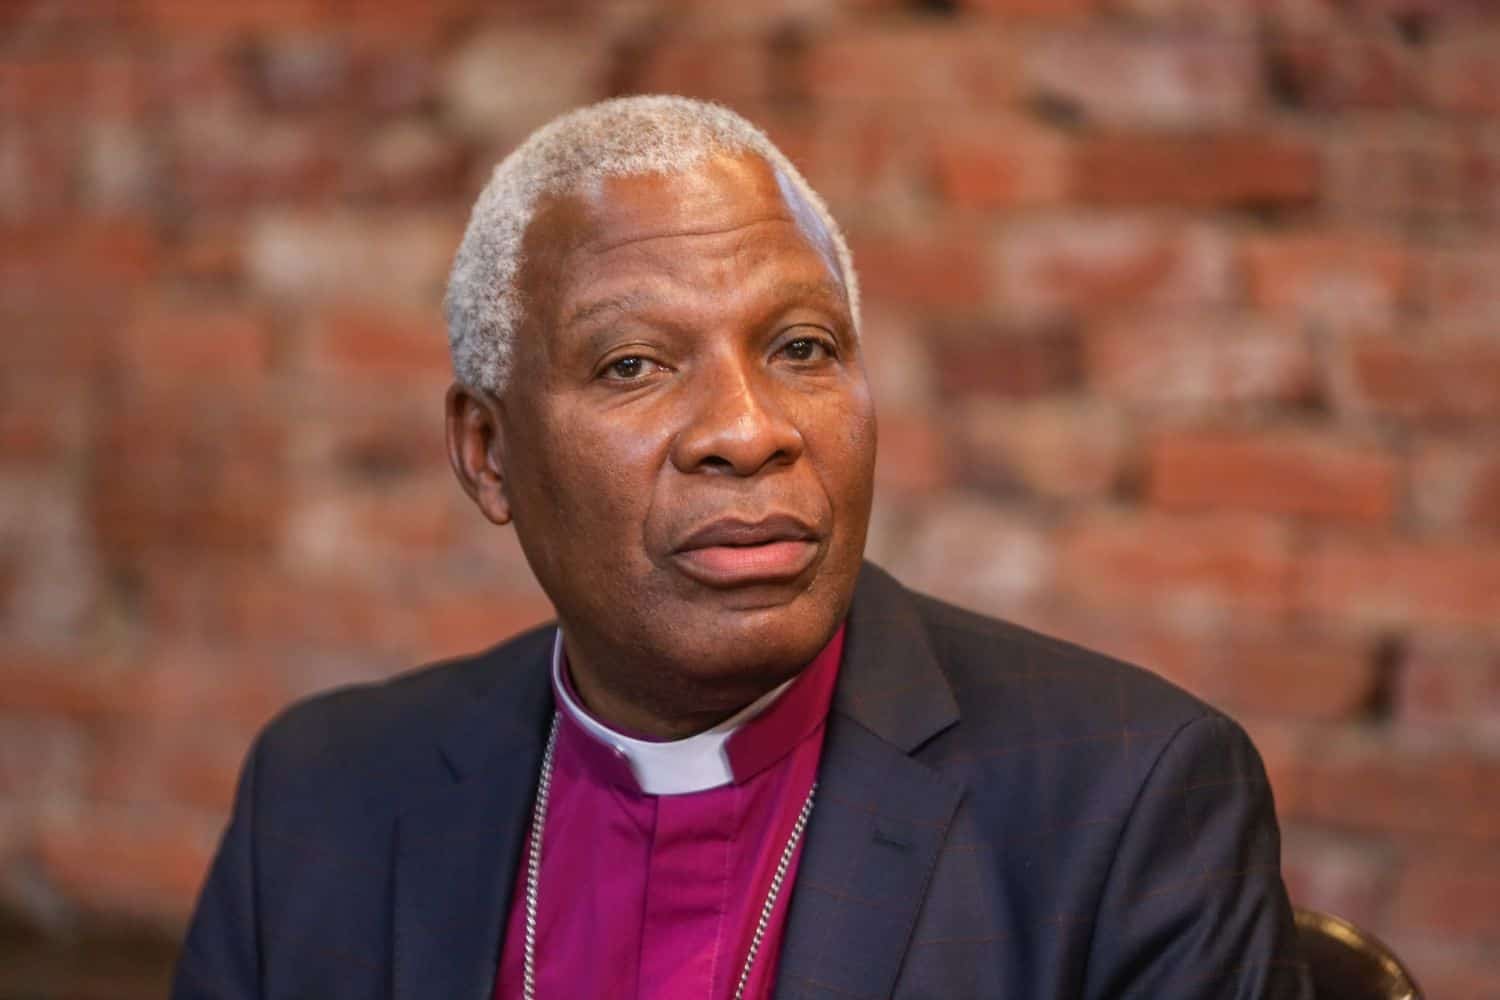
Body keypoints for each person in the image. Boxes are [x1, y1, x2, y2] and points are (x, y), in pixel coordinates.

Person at [172, 96, 1310, 999]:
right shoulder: (322, 796)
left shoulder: (1124, 800)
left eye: (802, 347)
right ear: (488, 454)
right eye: (632, 364)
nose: (748, 429)